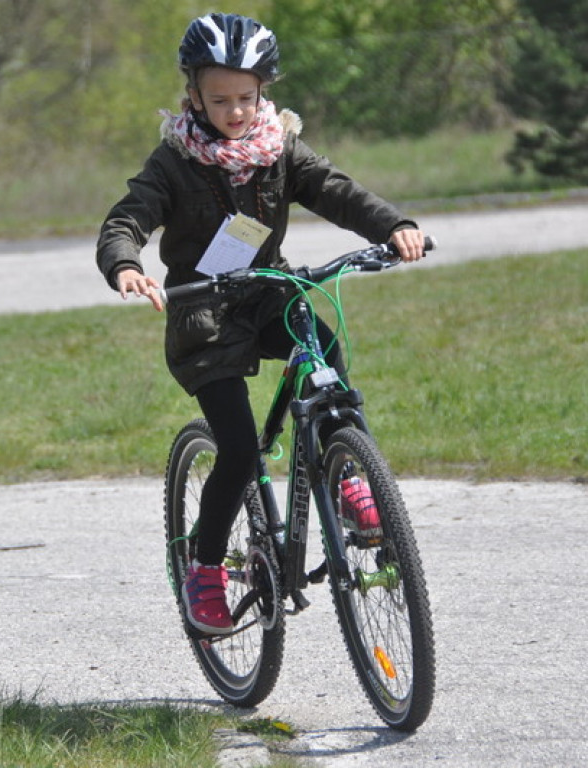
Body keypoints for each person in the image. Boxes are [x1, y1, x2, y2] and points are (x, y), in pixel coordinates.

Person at [96, 13, 428, 635]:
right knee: (242, 449)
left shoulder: (280, 149)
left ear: (263, 92)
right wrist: (126, 266)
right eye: (219, 99)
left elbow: (336, 190)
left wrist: (393, 226)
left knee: (322, 350)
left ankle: (345, 474)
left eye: (246, 97)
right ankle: (204, 569)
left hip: (269, 293)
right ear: (193, 95)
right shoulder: (173, 162)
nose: (235, 111)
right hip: (203, 313)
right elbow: (127, 219)